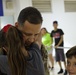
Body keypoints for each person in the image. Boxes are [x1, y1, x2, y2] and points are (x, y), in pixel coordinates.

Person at [0, 7, 45, 75]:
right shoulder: (5, 44)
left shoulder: (41, 49)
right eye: (27, 34)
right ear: (17, 26)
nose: (32, 39)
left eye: (36, 34)